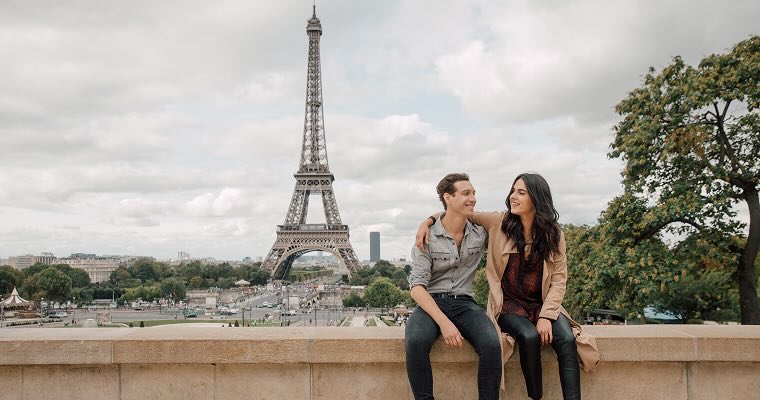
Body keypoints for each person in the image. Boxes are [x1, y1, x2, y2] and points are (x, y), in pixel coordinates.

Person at [417, 173, 583, 400]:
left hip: (543, 303)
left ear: (536, 198)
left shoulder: (554, 234)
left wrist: (547, 315)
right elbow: (457, 212)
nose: (513, 196)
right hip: (510, 305)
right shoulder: (499, 222)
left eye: (520, 192)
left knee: (567, 340)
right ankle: (536, 396)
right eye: (513, 191)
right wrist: (427, 221)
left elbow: (559, 279)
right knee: (529, 336)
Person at [405, 173, 502, 400]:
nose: (473, 198)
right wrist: (445, 323)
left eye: (474, 193)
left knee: (491, 345)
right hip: (432, 302)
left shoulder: (481, 232)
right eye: (466, 193)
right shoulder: (427, 237)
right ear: (448, 198)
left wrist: (428, 218)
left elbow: (503, 221)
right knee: (416, 342)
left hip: (465, 303)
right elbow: (417, 287)